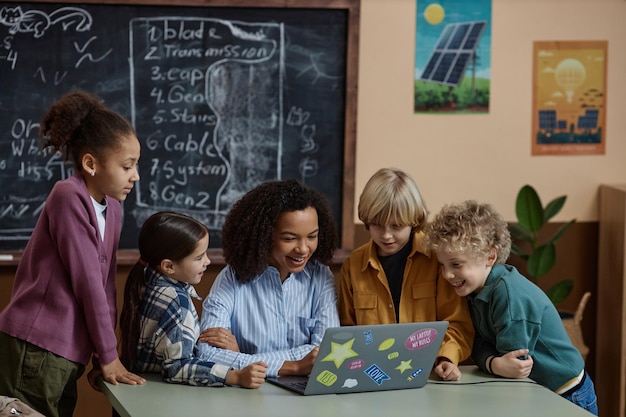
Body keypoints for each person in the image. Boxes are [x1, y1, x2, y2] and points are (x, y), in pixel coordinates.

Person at [0, 90, 145, 417]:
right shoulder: (68, 196)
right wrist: (108, 356)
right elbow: (87, 281)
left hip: (67, 353)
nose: (135, 175)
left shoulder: (114, 208)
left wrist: (104, 354)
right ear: (91, 163)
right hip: (37, 347)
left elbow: (106, 288)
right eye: (127, 166)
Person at [423, 200, 598, 415]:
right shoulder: (472, 290)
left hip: (567, 394)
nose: (447, 275)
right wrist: (495, 363)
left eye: (456, 264)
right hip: (537, 391)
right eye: (443, 265)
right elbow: (478, 345)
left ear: (490, 256)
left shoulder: (508, 295)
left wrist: (496, 364)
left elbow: (514, 368)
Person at [338, 167, 474, 381]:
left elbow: (456, 323)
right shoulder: (354, 265)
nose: (387, 235)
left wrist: (446, 358)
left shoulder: (437, 258)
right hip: (372, 378)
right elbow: (346, 330)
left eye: (397, 225)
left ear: (414, 220)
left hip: (430, 376)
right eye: (377, 225)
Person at [197, 179, 340, 377]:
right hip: (248, 397)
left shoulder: (320, 275)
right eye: (289, 238)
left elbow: (327, 351)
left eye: (312, 236)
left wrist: (243, 358)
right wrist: (294, 366)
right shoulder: (231, 279)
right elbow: (206, 354)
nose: (304, 248)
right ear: (264, 235)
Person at [119, 211, 267, 389]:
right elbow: (177, 367)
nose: (208, 261)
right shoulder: (177, 301)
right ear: (169, 266)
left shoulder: (147, 279)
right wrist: (233, 376)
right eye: (199, 257)